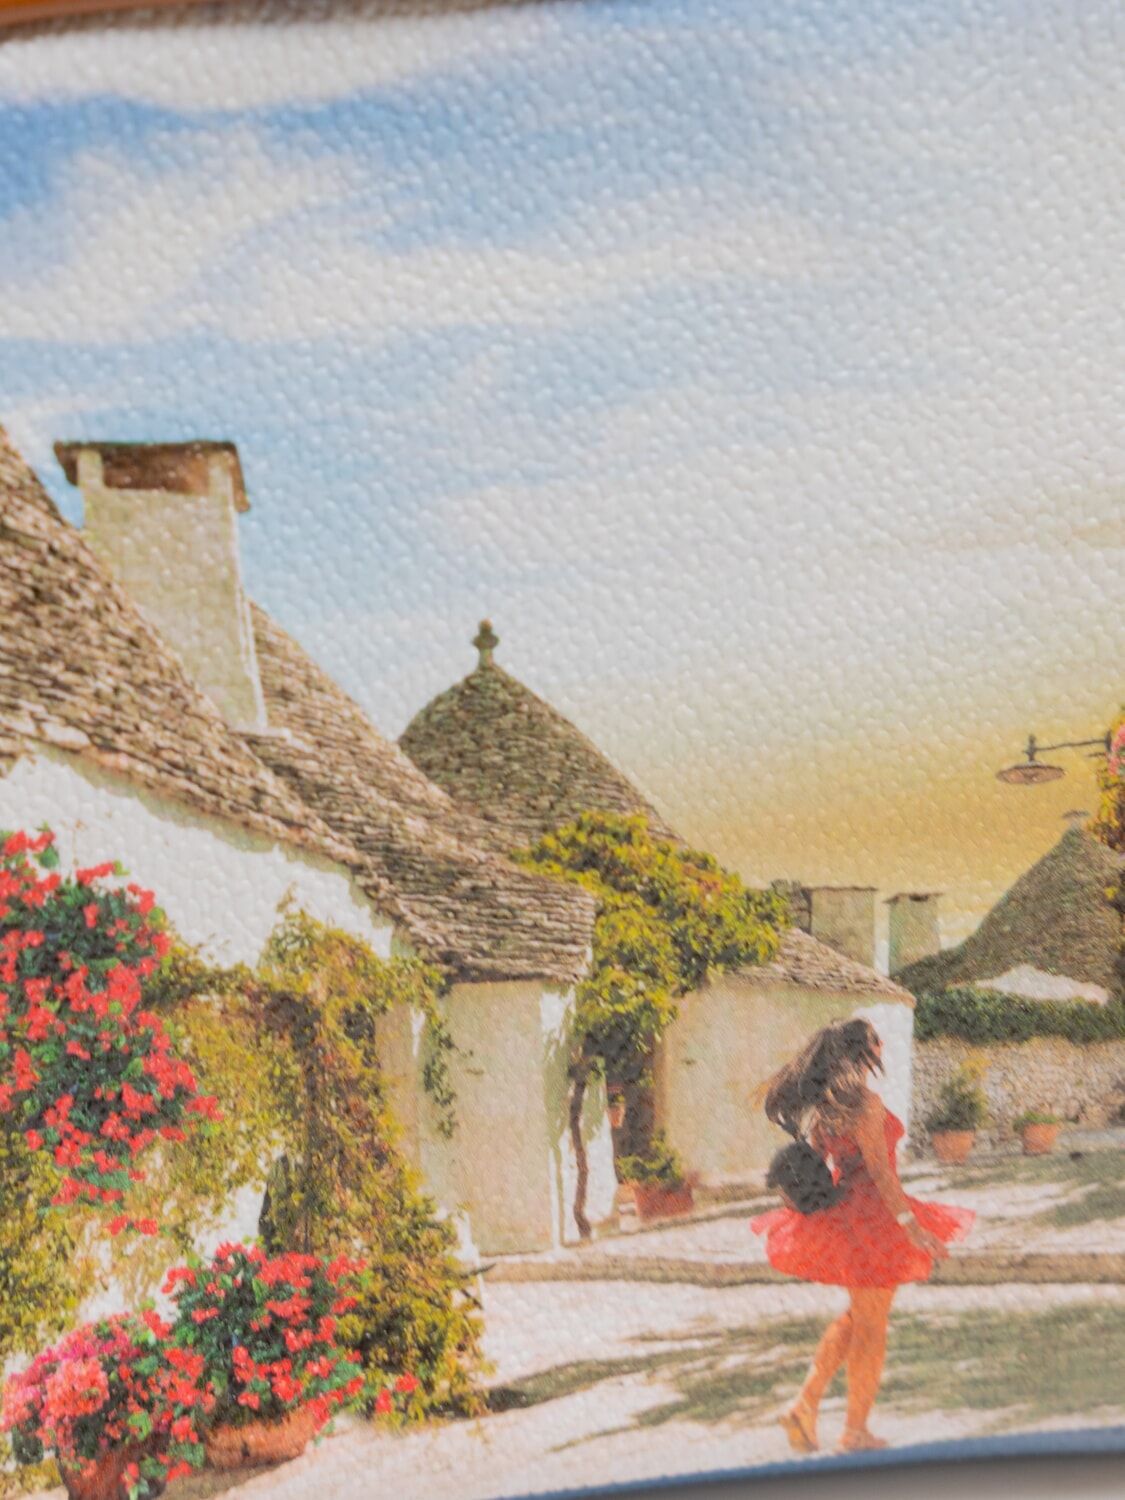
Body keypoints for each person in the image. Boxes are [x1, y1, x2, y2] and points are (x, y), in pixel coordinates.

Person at [751, 1018, 973, 1455]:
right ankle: (852, 1432)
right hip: (875, 1217)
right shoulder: (865, 1104)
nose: (881, 1046)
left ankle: (805, 1406)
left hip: (848, 1213)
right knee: (872, 1326)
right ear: (863, 1051)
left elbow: (818, 1160)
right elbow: (882, 1174)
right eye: (876, 1041)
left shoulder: (827, 1109)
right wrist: (914, 1228)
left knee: (858, 1318)